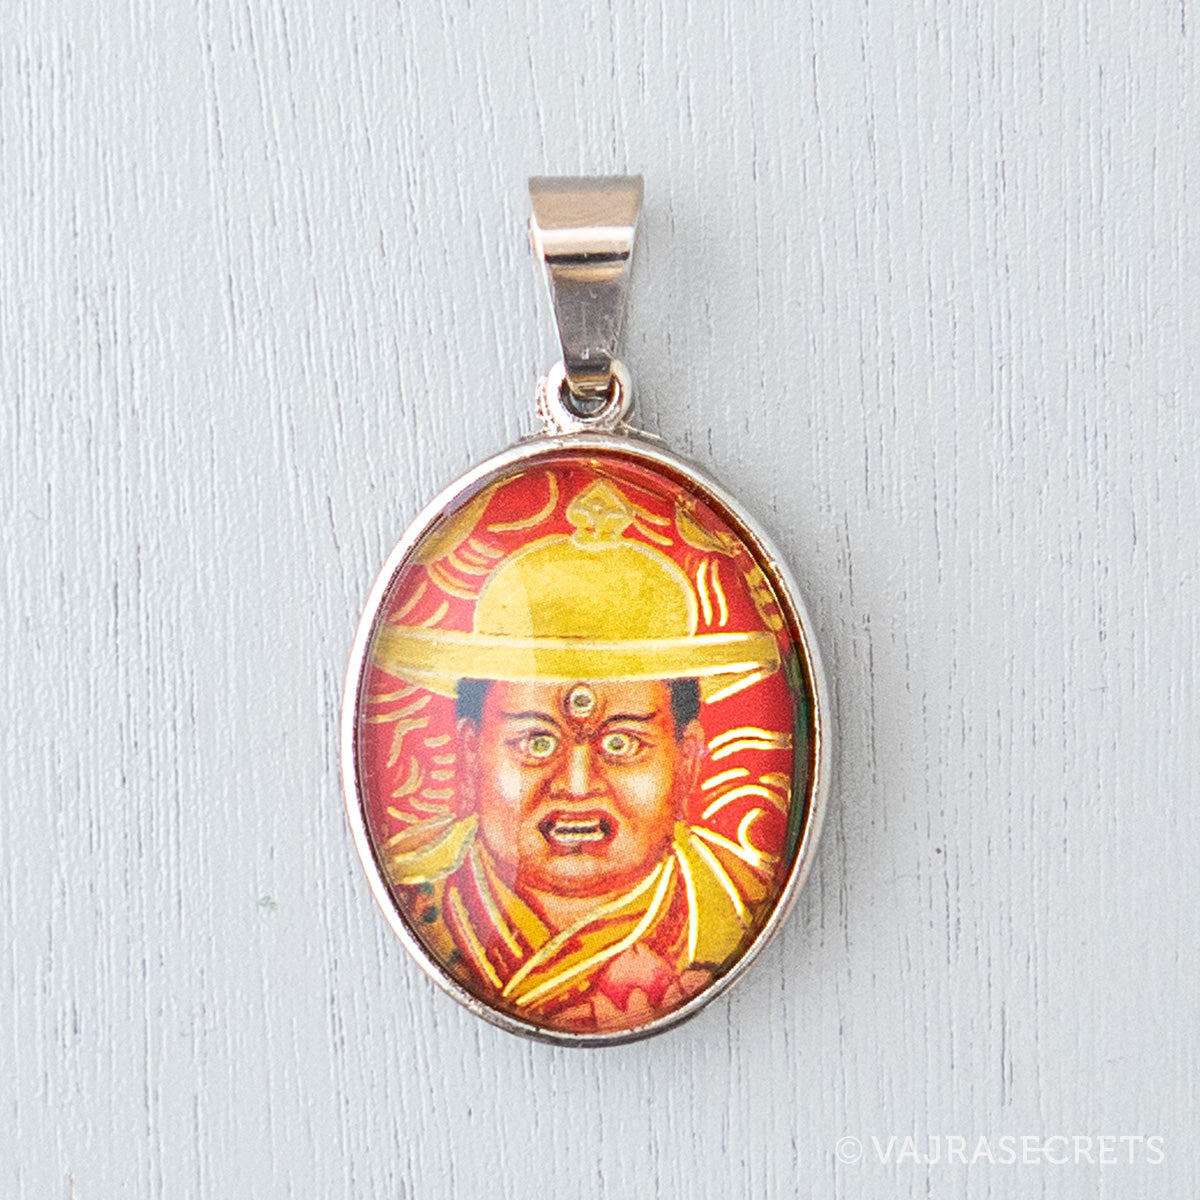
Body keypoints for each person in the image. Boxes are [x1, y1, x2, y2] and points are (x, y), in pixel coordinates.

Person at [373, 477, 788, 1031]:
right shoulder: (424, 901)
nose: (576, 784)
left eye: (622, 743)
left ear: (687, 762)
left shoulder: (730, 904)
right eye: (535, 741)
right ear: (470, 755)